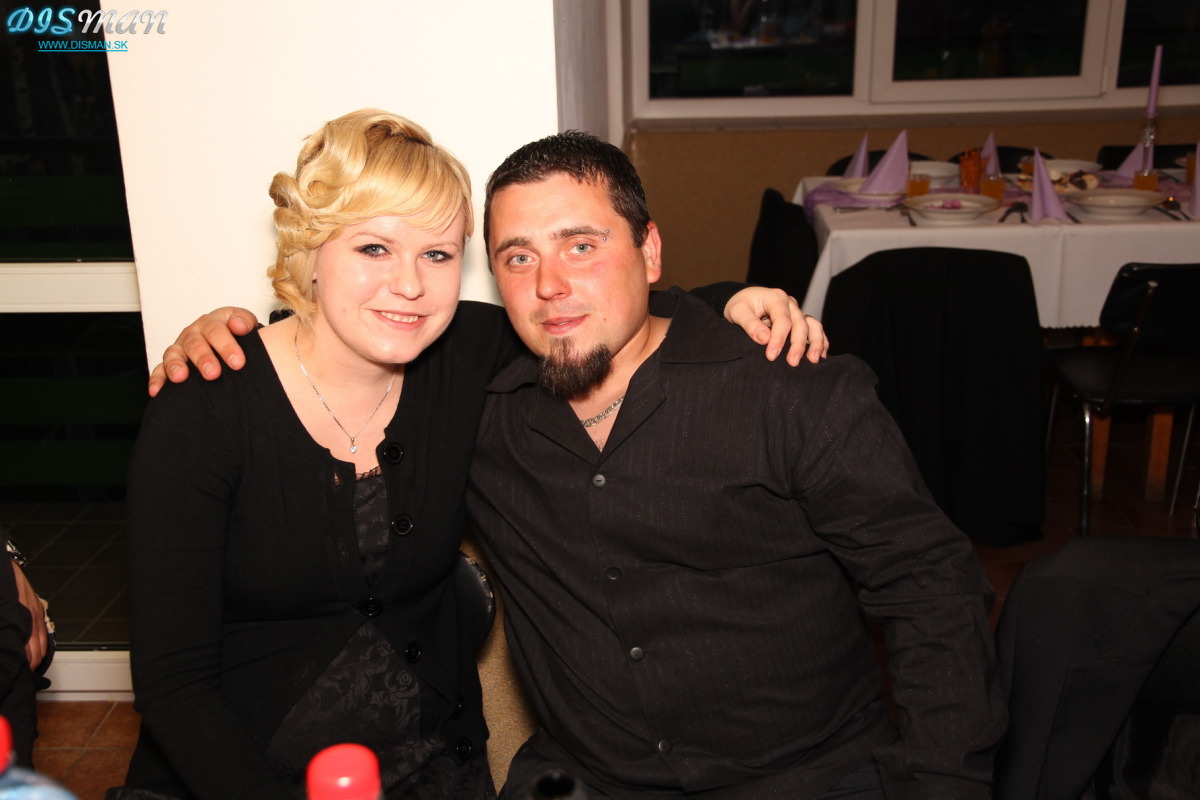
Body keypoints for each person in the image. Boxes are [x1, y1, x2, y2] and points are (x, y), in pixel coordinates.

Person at [127, 110, 828, 800]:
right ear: (309, 254)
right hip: (234, 770)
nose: (410, 285)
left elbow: (608, 312)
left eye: (437, 255)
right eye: (373, 249)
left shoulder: (467, 356)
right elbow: (173, 683)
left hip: (427, 763)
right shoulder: (206, 404)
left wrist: (735, 298)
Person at [462, 132, 1006, 799]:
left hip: (807, 776)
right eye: (519, 257)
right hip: (587, 777)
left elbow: (931, 588)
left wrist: (942, 781)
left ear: (649, 251)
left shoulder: (788, 388)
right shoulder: (478, 410)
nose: (549, 285)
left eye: (581, 246)